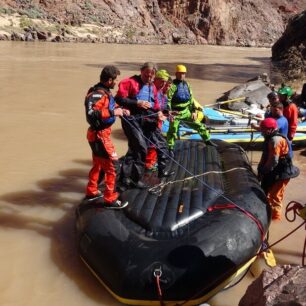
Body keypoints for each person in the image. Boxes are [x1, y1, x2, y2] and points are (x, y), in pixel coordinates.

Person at [115, 62, 174, 188]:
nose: (148, 78)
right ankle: (135, 179)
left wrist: (160, 113)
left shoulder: (152, 87)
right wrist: (137, 102)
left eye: (151, 77)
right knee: (141, 147)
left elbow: (155, 106)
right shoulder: (130, 82)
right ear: (141, 71)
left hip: (145, 118)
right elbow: (119, 99)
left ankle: (124, 178)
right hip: (130, 118)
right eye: (146, 75)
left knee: (134, 149)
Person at [84, 65, 129, 209]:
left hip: (99, 135)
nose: (116, 82)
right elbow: (91, 114)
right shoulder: (97, 94)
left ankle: (92, 190)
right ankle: (110, 199)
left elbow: (110, 105)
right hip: (100, 135)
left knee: (98, 164)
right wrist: (113, 113)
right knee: (113, 167)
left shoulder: (105, 92)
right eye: (115, 80)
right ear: (109, 80)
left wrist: (121, 110)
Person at [166, 64, 215, 156]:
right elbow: (168, 100)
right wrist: (169, 112)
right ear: (176, 74)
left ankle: (207, 140)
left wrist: (193, 111)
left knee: (199, 125)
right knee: (172, 130)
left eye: (183, 74)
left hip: (186, 111)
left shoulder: (187, 85)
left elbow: (191, 99)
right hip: (176, 112)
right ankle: (170, 147)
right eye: (180, 73)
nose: (181, 75)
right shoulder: (172, 86)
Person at [257, 118, 299, 221]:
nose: (261, 132)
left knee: (276, 196)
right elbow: (266, 156)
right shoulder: (269, 138)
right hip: (275, 170)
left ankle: (275, 219)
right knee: (267, 192)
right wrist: (260, 169)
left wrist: (263, 171)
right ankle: (268, 213)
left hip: (282, 172)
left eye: (263, 130)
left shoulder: (275, 141)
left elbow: (273, 161)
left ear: (270, 129)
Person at [145, 69, 171, 171]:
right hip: (149, 121)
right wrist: (157, 115)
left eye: (165, 82)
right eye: (162, 81)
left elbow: (160, 107)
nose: (164, 84)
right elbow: (147, 107)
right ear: (155, 79)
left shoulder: (161, 93)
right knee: (152, 143)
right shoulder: (150, 90)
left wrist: (167, 113)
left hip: (157, 121)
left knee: (156, 143)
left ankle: (152, 162)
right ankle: (148, 164)